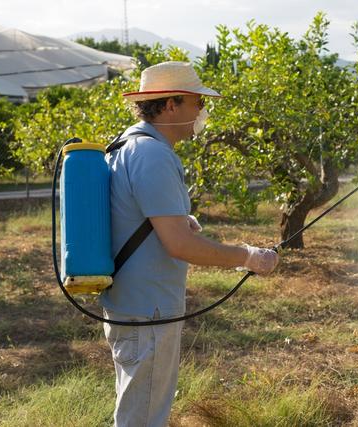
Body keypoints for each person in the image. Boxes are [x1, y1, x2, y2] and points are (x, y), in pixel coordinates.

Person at [99, 61, 279, 427]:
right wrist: (248, 257)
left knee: (138, 408)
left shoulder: (127, 144)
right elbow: (180, 245)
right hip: (147, 311)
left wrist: (173, 220)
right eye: (197, 102)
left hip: (130, 304)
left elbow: (134, 215)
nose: (202, 111)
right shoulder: (153, 154)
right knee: (144, 417)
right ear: (170, 105)